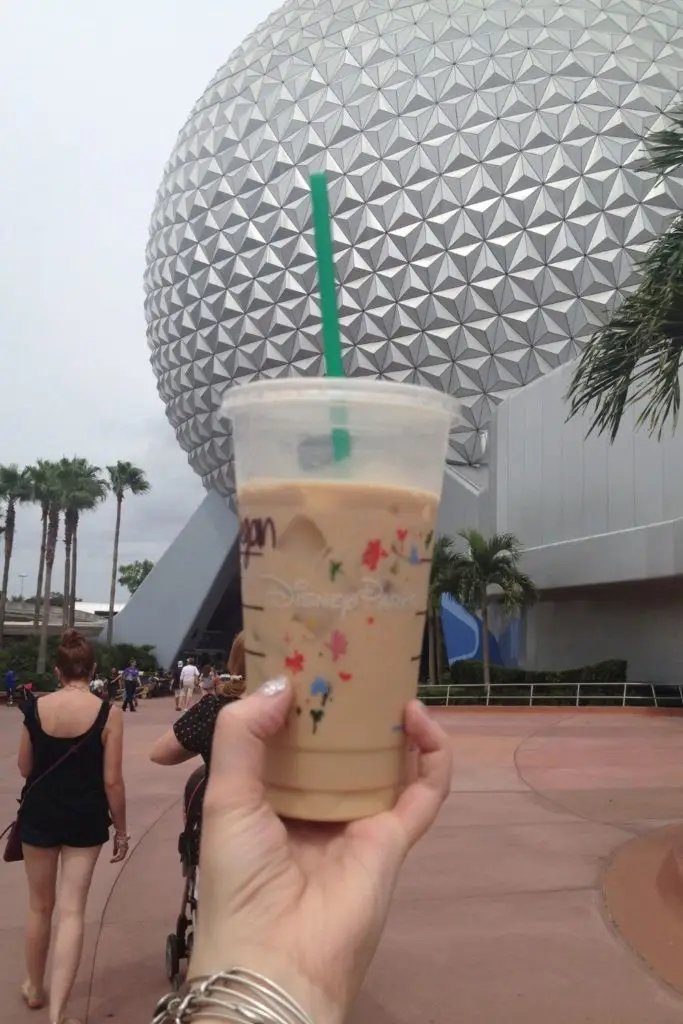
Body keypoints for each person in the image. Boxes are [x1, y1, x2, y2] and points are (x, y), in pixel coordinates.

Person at [149, 677, 451, 1024]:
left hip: (222, 843)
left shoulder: (218, 711)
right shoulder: (330, 710)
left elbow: (160, 752)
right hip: (328, 834)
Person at [16, 628, 129, 1024]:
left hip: (40, 815)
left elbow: (25, 768)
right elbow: (112, 780)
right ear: (92, 669)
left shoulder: (36, 708)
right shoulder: (108, 713)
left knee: (38, 906)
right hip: (86, 817)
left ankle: (34, 986)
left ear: (59, 672)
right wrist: (122, 829)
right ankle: (60, 1012)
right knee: (72, 911)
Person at [150, 633, 245, 770]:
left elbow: (159, 754)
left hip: (227, 789)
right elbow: (197, 676)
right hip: (194, 683)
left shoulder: (215, 710)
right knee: (188, 694)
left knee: (185, 694)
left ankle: (185, 705)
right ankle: (186, 704)